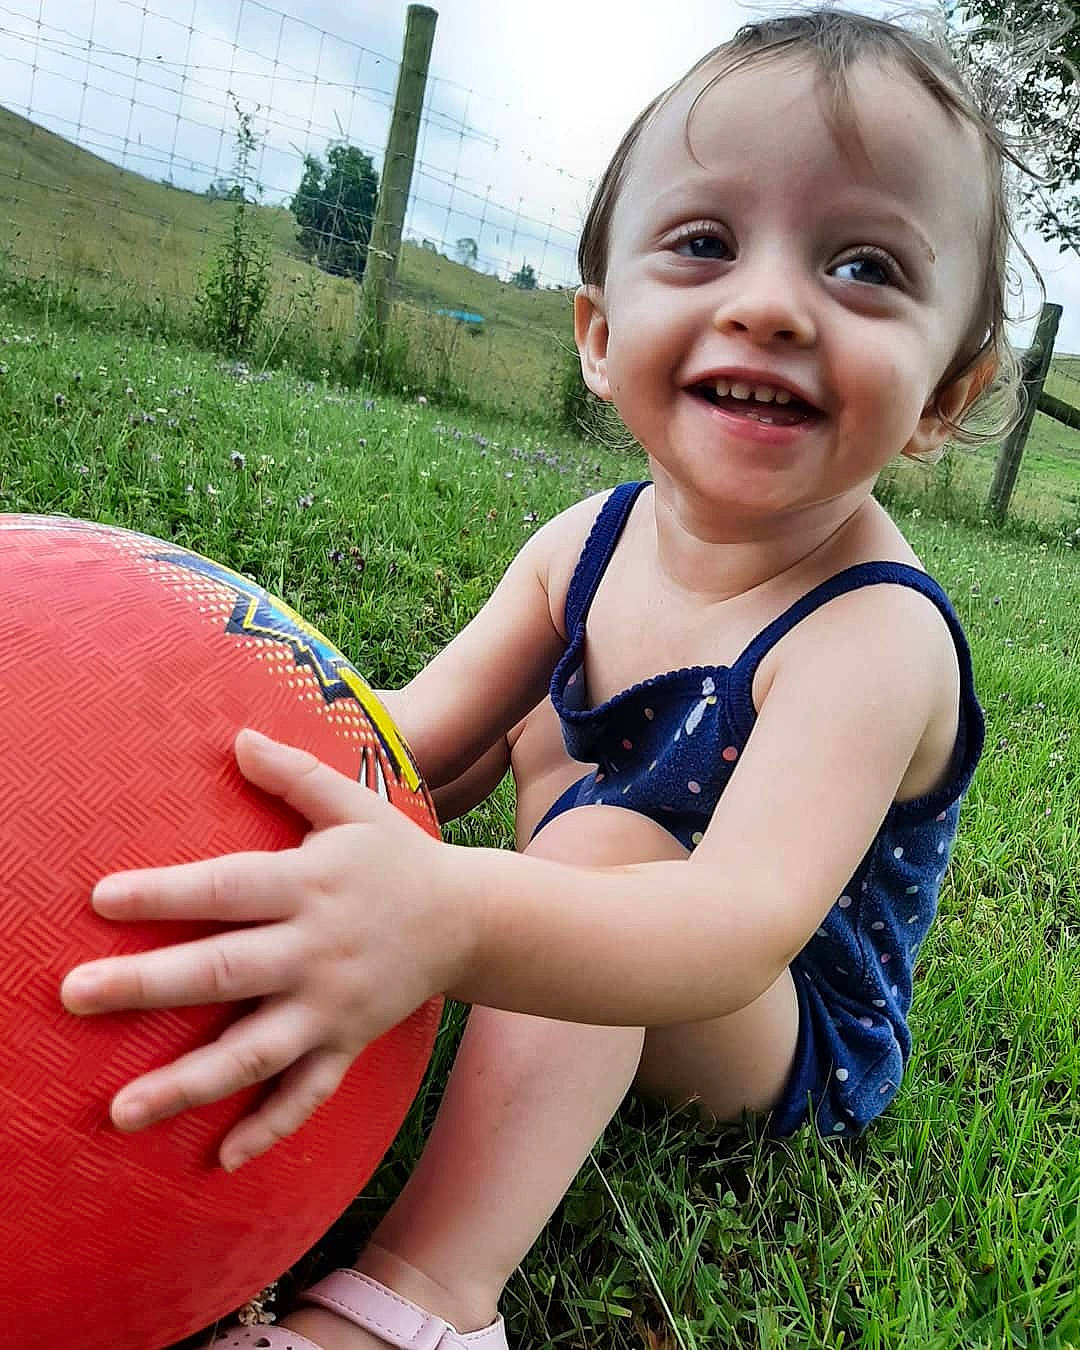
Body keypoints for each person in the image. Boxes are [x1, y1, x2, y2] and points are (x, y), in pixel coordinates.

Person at [61, 8, 1034, 1348]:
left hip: (774, 1023)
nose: (766, 302)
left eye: (864, 265)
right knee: (518, 744)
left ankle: (428, 1297)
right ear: (596, 329)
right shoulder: (585, 543)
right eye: (703, 242)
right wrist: (186, 745)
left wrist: (454, 911)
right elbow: (398, 744)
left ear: (942, 395)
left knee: (614, 839)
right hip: (592, 888)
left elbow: (733, 922)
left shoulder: (875, 637)